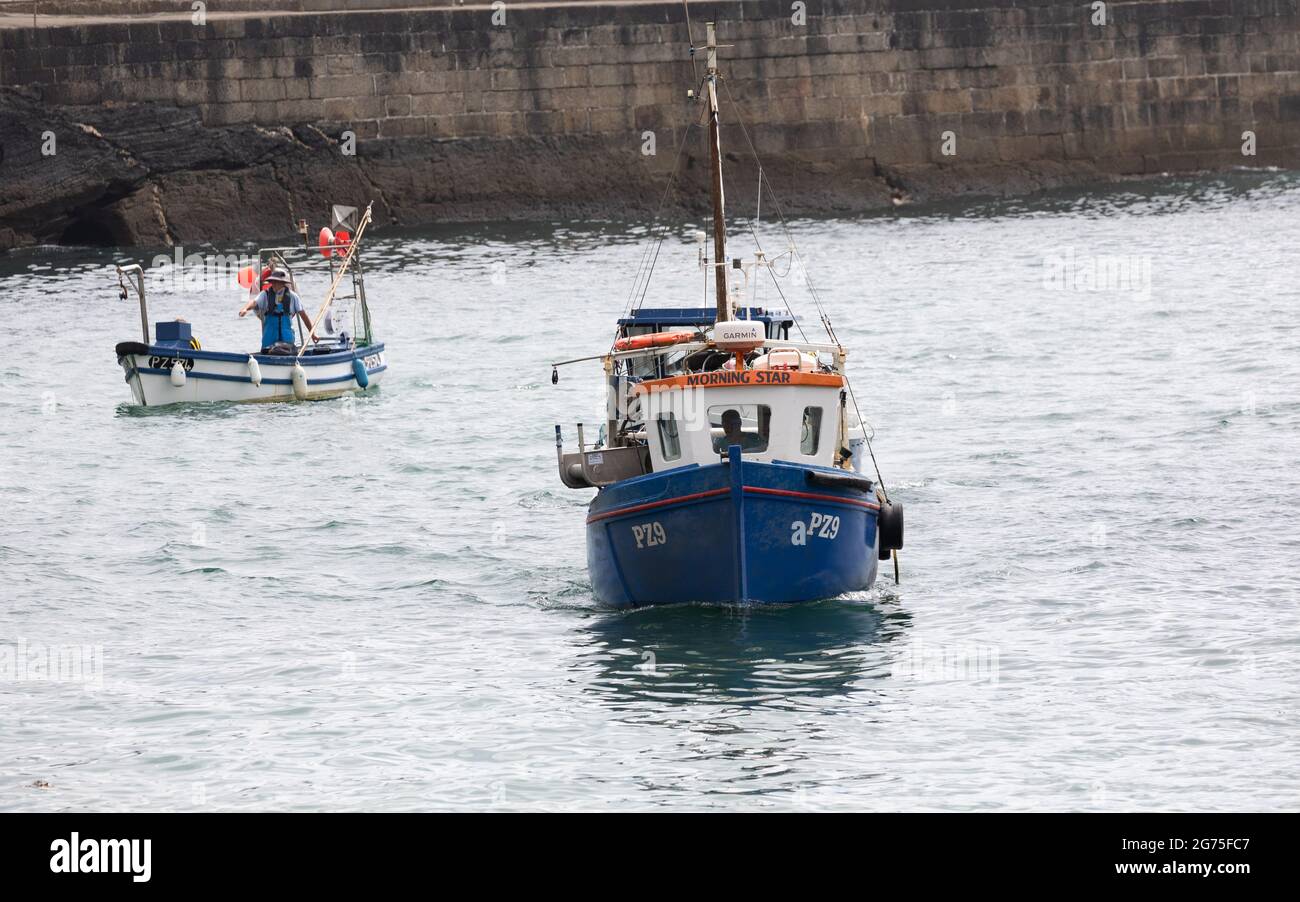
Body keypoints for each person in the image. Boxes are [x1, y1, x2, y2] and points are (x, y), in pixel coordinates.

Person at [238, 268, 314, 353]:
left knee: (281, 351)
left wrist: (313, 334)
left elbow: (304, 316)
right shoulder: (265, 295)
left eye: (276, 282)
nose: (273, 284)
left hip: (287, 343)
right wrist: (245, 309)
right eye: (272, 281)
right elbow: (254, 302)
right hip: (269, 341)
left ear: (282, 283)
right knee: (270, 351)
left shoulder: (293, 297)